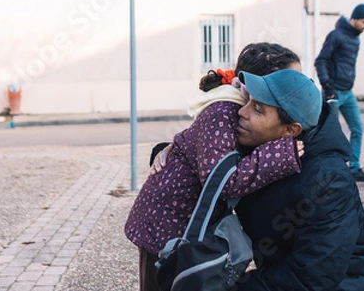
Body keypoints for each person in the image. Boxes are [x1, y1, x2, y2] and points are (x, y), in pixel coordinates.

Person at [124, 43, 318, 291]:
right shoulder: (226, 110)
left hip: (183, 219)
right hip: (165, 222)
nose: (295, 84)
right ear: (258, 83)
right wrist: (276, 156)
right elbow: (221, 179)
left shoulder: (242, 108)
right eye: (287, 78)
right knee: (164, 280)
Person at [235, 78, 364, 290]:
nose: (242, 112)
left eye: (257, 109)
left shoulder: (329, 181)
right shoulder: (261, 150)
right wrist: (179, 151)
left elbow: (311, 276)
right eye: (248, 101)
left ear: (291, 131)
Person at [314, 3, 364, 182]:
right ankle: (330, 171)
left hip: (348, 93)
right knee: (330, 133)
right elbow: (320, 61)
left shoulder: (356, 39)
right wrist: (327, 86)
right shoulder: (336, 35)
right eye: (363, 22)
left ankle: (353, 168)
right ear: (354, 19)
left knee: (358, 129)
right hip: (334, 93)